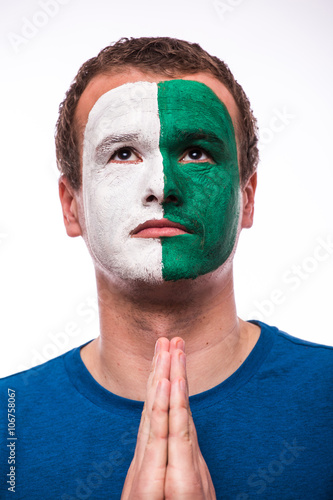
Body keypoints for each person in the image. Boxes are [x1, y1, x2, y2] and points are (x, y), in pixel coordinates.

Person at [0, 37, 332, 500]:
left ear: (247, 197)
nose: (161, 187)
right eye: (123, 153)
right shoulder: (7, 422)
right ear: (71, 206)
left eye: (196, 152)